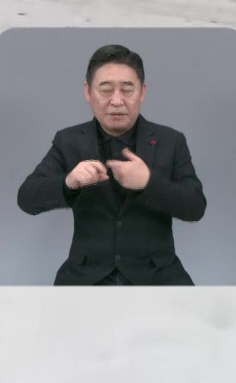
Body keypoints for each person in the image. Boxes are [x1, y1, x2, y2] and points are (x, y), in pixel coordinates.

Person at [15, 43, 207, 285]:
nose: (117, 101)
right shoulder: (68, 140)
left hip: (157, 276)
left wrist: (148, 183)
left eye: (127, 90)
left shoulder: (171, 141)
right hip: (85, 276)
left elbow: (195, 207)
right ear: (88, 92)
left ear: (143, 92)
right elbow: (26, 199)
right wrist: (69, 182)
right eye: (105, 90)